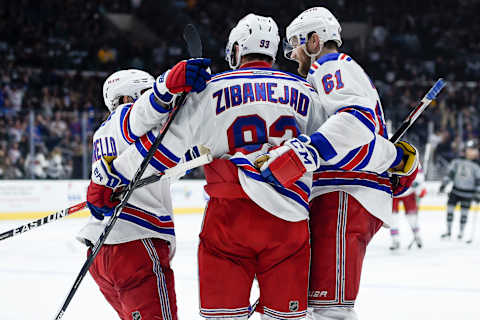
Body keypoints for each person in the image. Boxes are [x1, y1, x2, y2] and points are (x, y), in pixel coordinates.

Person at [89, 14, 327, 320]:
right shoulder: (309, 91)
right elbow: (336, 150)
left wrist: (114, 178)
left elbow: (163, 150)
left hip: (228, 222)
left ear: (238, 50)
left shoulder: (212, 89)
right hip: (289, 219)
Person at [257, 7, 419, 320]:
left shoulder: (330, 64)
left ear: (315, 40)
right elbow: (360, 134)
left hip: (345, 195)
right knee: (321, 307)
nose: (294, 55)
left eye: (297, 45)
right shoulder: (329, 73)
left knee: (332, 311)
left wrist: (302, 153)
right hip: (339, 195)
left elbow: (356, 122)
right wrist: (392, 158)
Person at [79, 64, 211, 320]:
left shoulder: (102, 133)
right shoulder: (125, 116)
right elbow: (140, 115)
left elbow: (167, 163)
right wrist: (166, 85)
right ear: (127, 97)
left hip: (100, 251)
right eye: (144, 92)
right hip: (135, 242)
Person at [439, 141, 480, 240]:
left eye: (474, 151)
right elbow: (450, 175)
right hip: (455, 191)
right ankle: (448, 232)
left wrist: (478, 193)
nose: (471, 153)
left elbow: (478, 181)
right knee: (449, 210)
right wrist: (444, 184)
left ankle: (461, 233)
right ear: (465, 150)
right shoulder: (457, 162)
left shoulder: (477, 165)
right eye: (469, 150)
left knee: (464, 213)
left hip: (468, 193)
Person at [390, 165, 427, 250]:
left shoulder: (411, 153)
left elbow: (418, 173)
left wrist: (419, 186)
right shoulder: (390, 154)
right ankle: (395, 240)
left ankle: (417, 236)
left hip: (408, 191)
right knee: (393, 217)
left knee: (412, 217)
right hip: (394, 192)